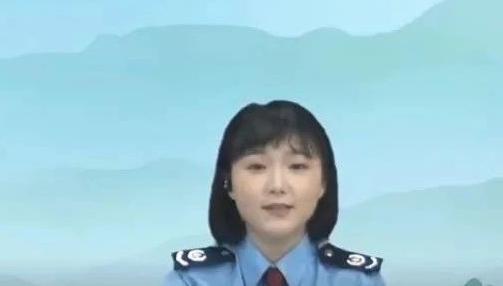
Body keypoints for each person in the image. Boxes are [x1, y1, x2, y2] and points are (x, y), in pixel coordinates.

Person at [162, 100, 385, 286]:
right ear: (228, 184)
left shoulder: (359, 281)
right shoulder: (191, 280)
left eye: (297, 166)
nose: (277, 186)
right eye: (257, 167)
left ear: (323, 183)